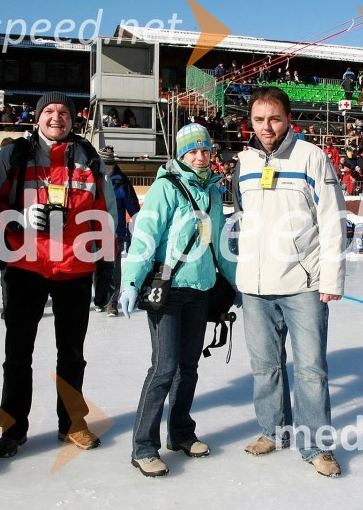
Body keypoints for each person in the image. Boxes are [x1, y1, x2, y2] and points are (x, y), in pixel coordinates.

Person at [0, 92, 117, 459]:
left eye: (63, 111)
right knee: (17, 354)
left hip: (74, 269)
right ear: (37, 117)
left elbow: (105, 212)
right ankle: (13, 429)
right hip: (26, 267)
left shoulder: (88, 158)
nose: (56, 116)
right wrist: (17, 218)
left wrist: (108, 265)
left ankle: (72, 423)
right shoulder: (12, 155)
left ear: (73, 119)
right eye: (49, 111)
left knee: (72, 354)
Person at [232, 87, 347, 477]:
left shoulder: (312, 157)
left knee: (311, 370)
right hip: (255, 286)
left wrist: (331, 278)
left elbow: (332, 221)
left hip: (303, 285)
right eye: (259, 119)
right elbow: (242, 220)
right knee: (266, 367)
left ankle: (316, 446)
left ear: (288, 119)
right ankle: (273, 431)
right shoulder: (244, 162)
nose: (267, 127)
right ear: (251, 121)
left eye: (274, 118)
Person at [119, 123, 237, 477]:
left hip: (200, 291)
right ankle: (143, 446)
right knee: (163, 367)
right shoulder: (165, 187)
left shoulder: (214, 192)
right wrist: (129, 281)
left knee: (189, 367)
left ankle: (182, 433)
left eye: (205, 150)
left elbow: (219, 245)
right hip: (168, 291)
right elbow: (145, 237)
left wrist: (235, 283)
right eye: (192, 151)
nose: (200, 156)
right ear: (181, 154)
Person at [93, 146, 140, 316]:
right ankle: (100, 299)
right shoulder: (92, 179)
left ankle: (112, 302)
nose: (107, 169)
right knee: (97, 269)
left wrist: (137, 222)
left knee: (113, 269)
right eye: (104, 165)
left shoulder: (122, 181)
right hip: (95, 233)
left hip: (116, 234)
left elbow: (133, 207)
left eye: (110, 166)